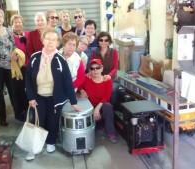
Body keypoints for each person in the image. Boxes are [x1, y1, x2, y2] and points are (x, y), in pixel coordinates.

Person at [25, 27, 83, 161]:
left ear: (58, 43)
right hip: (38, 97)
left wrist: (73, 102)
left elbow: (68, 82)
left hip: (55, 98)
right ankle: (33, 147)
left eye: (53, 40)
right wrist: (31, 97)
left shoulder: (60, 60)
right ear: (42, 40)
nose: (50, 42)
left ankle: (50, 142)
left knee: (53, 121)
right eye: (48, 39)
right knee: (36, 122)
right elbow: (27, 79)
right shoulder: (34, 58)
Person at [78, 59, 118, 143]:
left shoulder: (107, 80)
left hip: (101, 107)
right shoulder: (86, 78)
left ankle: (111, 133)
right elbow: (78, 85)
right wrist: (82, 90)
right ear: (90, 70)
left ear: (102, 68)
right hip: (90, 108)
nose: (95, 70)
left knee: (108, 106)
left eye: (97, 67)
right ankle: (99, 126)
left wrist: (97, 109)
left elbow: (106, 97)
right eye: (92, 69)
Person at [90, 31, 119, 105]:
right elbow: (92, 66)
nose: (103, 42)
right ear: (98, 41)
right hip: (99, 79)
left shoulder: (114, 52)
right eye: (101, 40)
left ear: (109, 42)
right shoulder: (95, 52)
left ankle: (112, 109)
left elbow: (115, 67)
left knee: (111, 91)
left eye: (106, 40)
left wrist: (109, 75)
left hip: (112, 79)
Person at [10, 14, 29, 121]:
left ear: (22, 23)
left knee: (26, 90)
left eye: (19, 22)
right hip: (15, 68)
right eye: (15, 22)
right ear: (12, 24)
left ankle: (27, 111)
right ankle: (18, 113)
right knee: (16, 90)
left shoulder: (28, 35)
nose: (17, 24)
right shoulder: (10, 36)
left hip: (27, 66)